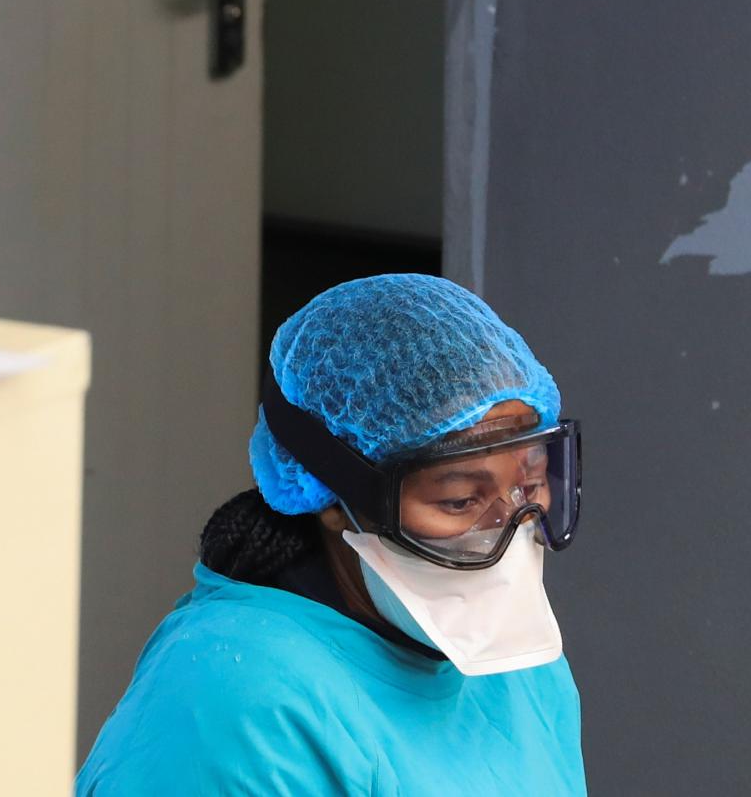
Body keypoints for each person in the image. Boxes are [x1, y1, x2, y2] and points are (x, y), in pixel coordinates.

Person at [78, 274, 588, 794]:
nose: (507, 530)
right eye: (459, 501)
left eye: (529, 484)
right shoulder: (239, 697)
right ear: (334, 499)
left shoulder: (520, 671)